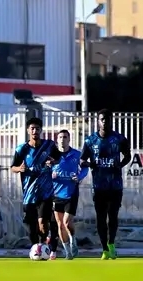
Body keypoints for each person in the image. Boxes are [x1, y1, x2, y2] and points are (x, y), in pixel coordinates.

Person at [81, 109, 131, 259]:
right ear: (98, 121)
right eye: (102, 119)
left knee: (113, 216)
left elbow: (128, 155)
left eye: (107, 119)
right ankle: (104, 249)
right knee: (101, 218)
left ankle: (111, 243)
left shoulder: (119, 139)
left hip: (115, 186)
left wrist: (120, 165)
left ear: (111, 120)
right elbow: (82, 160)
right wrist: (90, 164)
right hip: (99, 186)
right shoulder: (90, 141)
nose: (105, 122)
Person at [11, 117, 59, 254]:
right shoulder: (22, 149)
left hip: (45, 192)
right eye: (32, 128)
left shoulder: (49, 145)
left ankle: (43, 244)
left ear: (41, 130)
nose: (34, 131)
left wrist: (53, 162)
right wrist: (19, 169)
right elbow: (12, 167)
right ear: (28, 130)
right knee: (32, 228)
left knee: (43, 223)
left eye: (37, 128)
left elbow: (58, 158)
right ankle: (35, 247)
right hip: (29, 194)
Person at [51, 128, 88, 259]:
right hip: (56, 193)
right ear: (57, 140)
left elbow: (85, 168)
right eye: (60, 137)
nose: (62, 139)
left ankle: (73, 239)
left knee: (67, 222)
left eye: (65, 137)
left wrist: (79, 177)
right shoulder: (52, 155)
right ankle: (67, 251)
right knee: (60, 224)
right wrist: (51, 174)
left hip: (71, 192)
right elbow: (45, 168)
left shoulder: (76, 154)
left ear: (69, 139)